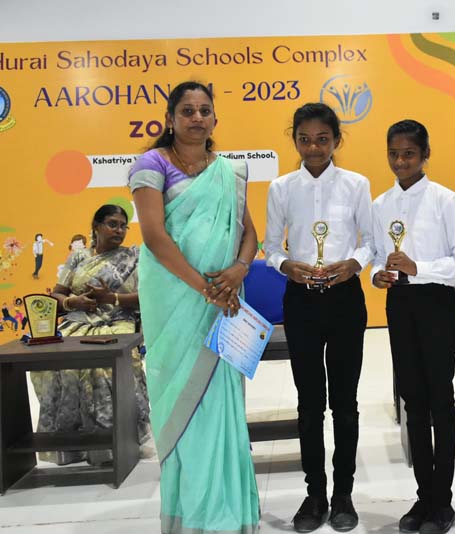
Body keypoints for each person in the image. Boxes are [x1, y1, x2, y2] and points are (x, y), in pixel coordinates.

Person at [130, 81, 260, 534]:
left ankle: (229, 515)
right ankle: (191, 518)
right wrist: (206, 289)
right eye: (187, 111)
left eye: (205, 110)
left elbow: (249, 233)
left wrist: (239, 270)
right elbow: (154, 237)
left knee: (220, 405)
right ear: (170, 119)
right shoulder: (151, 165)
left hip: (224, 302)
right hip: (176, 304)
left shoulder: (229, 172)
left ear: (215, 119)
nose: (197, 118)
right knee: (181, 402)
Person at [264, 102, 374, 533]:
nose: (313, 148)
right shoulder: (281, 188)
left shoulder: (356, 184)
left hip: (345, 299)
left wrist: (354, 263)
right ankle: (315, 493)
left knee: (345, 403)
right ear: (294, 140)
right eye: (305, 139)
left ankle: (344, 493)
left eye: (322, 139)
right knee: (309, 404)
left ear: (336, 140)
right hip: (302, 301)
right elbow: (272, 246)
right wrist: (286, 265)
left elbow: (371, 241)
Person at [371, 119, 455, 534]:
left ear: (425, 154)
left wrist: (419, 268)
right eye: (394, 154)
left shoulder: (446, 201)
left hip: (436, 304)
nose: (401, 161)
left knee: (439, 400)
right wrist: (378, 274)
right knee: (411, 401)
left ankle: (442, 500)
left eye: (409, 154)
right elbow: (377, 254)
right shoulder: (380, 204)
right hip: (400, 304)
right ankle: (423, 494)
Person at [30, 204, 150, 465]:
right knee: (54, 365)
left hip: (117, 321)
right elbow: (57, 294)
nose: (119, 230)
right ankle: (70, 446)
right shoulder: (78, 257)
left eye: (123, 226)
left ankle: (114, 445)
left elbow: (147, 296)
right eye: (112, 224)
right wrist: (73, 302)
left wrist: (112, 298)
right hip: (77, 321)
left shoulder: (134, 256)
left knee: (102, 366)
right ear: (96, 226)